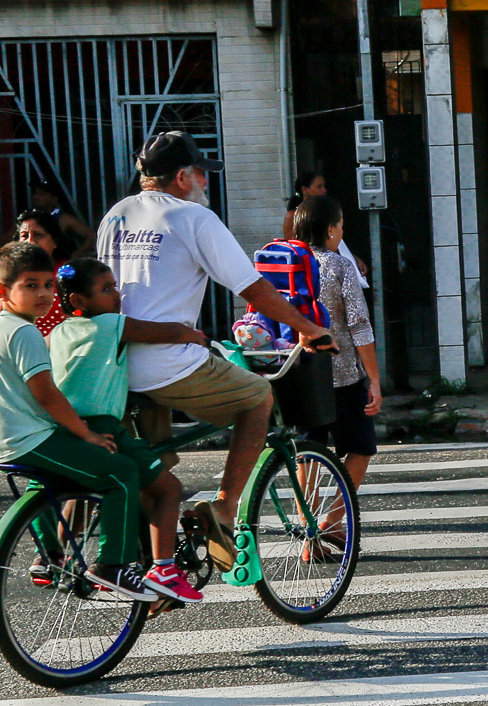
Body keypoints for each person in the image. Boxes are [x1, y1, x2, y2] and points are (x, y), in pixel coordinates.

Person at [97, 132, 331, 569]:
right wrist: (308, 328)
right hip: (167, 364)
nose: (206, 182)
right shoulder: (193, 218)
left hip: (116, 363)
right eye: (201, 173)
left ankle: (155, 571)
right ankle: (224, 508)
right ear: (183, 177)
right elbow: (254, 287)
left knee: (156, 471)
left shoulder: (116, 215)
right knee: (259, 398)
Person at [0, 243, 166, 604]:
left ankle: (49, 556)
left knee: (49, 480)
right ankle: (113, 566)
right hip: (25, 438)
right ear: (3, 291)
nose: (42, 294)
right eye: (30, 285)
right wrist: (85, 433)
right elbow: (47, 395)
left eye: (47, 285)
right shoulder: (25, 333)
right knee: (120, 473)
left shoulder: (2, 328)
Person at [48, 257, 203, 605]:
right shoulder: (111, 325)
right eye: (106, 289)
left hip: (63, 428)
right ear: (78, 301)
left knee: (79, 489)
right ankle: (164, 568)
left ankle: (52, 557)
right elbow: (168, 332)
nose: (117, 295)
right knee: (168, 489)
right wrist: (195, 336)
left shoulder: (57, 332)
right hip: (102, 425)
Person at [294, 194, 383, 485]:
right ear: (331, 229)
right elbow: (359, 326)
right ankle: (331, 521)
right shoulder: (340, 266)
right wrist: (374, 380)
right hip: (341, 375)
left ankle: (306, 522)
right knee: (360, 447)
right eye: (341, 226)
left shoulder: (286, 262)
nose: (342, 232)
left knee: (308, 451)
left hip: (297, 374)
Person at [283, 171, 369, 286]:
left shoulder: (325, 213)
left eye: (324, 186)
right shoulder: (293, 215)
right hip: (311, 272)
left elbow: (334, 242)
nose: (324, 190)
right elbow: (293, 248)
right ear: (305, 190)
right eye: (319, 186)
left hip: (332, 267)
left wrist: (352, 258)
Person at [8, 212, 75, 335]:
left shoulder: (68, 272)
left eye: (38, 235)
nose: (31, 241)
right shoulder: (10, 277)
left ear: (55, 241)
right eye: (24, 235)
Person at [28, 178, 95, 253]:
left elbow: (91, 236)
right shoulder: (27, 218)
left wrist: (75, 255)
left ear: (54, 199)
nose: (35, 197)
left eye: (41, 194)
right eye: (34, 193)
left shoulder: (64, 219)